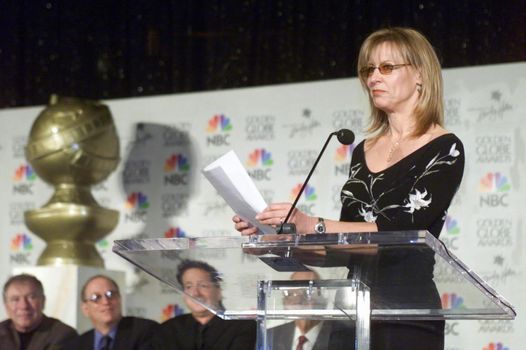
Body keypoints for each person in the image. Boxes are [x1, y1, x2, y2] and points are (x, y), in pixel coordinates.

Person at [234, 27, 465, 350]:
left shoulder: (445, 148)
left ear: (420, 76)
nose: (373, 78)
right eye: (368, 70)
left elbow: (398, 231)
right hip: (351, 313)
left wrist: (310, 224)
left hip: (406, 313)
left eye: (387, 68)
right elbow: (346, 247)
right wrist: (281, 242)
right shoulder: (362, 150)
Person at [152, 259, 256, 350]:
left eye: (203, 285)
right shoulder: (169, 329)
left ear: (219, 291)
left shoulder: (243, 326)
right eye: (188, 286)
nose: (195, 293)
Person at [60, 275, 158, 350]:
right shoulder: (75, 345)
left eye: (110, 294)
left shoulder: (145, 331)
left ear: (119, 299)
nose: (106, 302)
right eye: (96, 297)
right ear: (85, 309)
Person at [268, 270, 354, 350]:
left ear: (322, 299)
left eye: (307, 293)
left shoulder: (346, 336)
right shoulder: (271, 335)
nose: (298, 299)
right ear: (285, 301)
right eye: (291, 293)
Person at [0, 273, 77, 350]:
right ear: (6, 306)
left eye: (31, 298)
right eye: (15, 299)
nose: (23, 306)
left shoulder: (63, 334)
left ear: (43, 301)